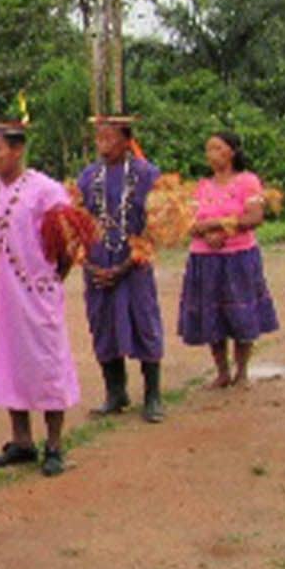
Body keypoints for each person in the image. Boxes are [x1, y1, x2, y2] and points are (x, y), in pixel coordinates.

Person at [0, 113, 87, 478]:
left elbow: (67, 242)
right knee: (8, 362)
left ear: (18, 149)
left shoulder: (46, 191)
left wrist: (50, 279)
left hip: (35, 291)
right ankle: (21, 440)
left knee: (47, 362)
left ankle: (54, 444)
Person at [79, 116, 167, 422]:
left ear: (126, 140)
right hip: (97, 262)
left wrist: (128, 263)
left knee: (143, 321)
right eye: (99, 139)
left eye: (109, 138)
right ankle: (115, 393)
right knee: (103, 325)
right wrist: (89, 263)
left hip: (134, 263)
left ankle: (153, 396)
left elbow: (157, 224)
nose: (103, 145)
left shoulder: (147, 174)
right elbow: (77, 223)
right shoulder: (89, 177)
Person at [178, 129, 281, 386]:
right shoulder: (201, 187)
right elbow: (188, 221)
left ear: (232, 152)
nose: (211, 154)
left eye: (217, 148)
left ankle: (242, 371)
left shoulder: (247, 182)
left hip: (238, 256)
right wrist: (206, 234)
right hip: (205, 258)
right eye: (209, 149)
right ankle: (222, 371)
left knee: (241, 312)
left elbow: (254, 217)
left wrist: (221, 228)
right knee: (212, 313)